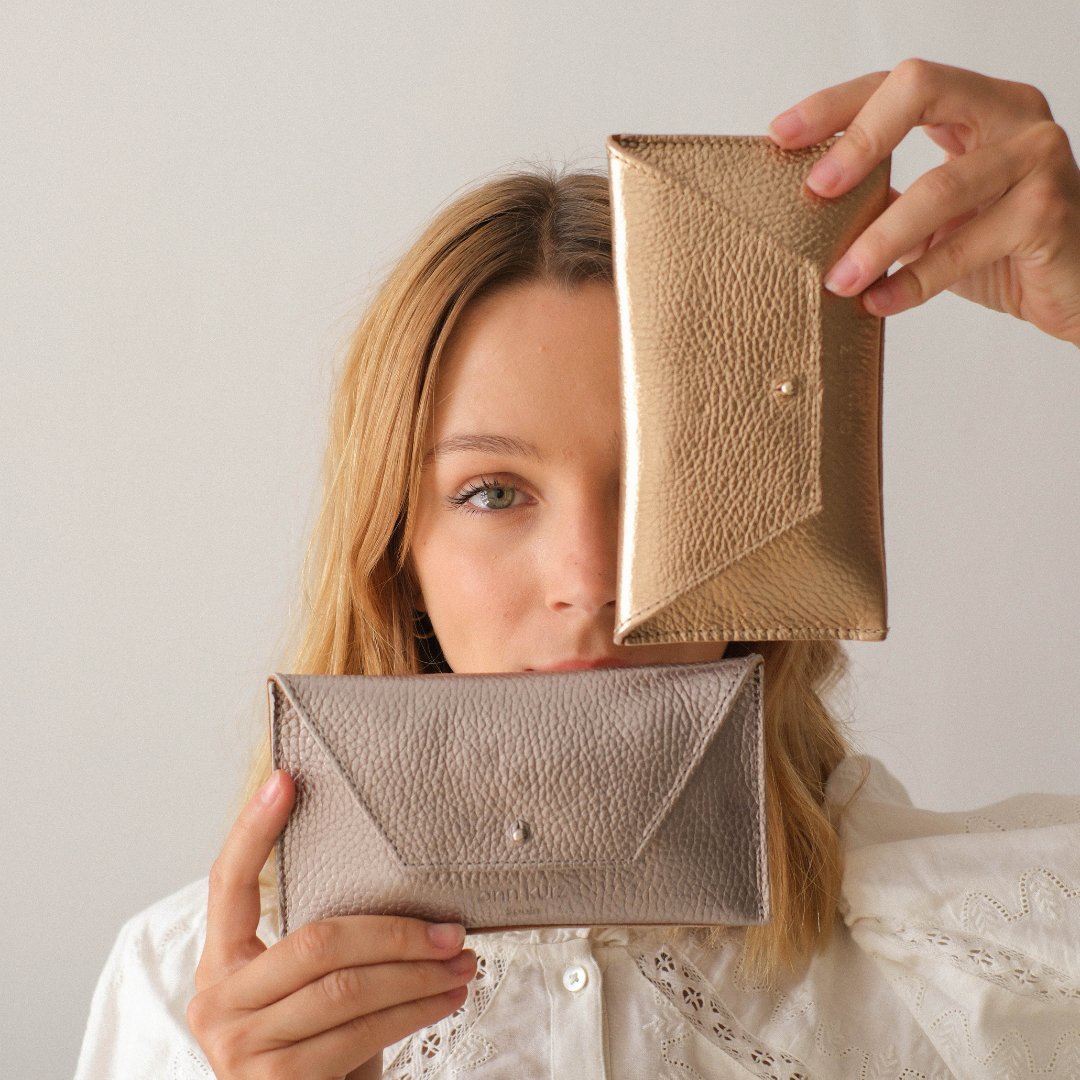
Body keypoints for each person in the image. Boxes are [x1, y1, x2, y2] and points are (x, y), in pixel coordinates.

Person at [75, 58, 1080, 1079]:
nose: (593, 580)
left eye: (661, 488)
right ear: (394, 554)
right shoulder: (184, 999)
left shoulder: (992, 951)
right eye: (493, 493)